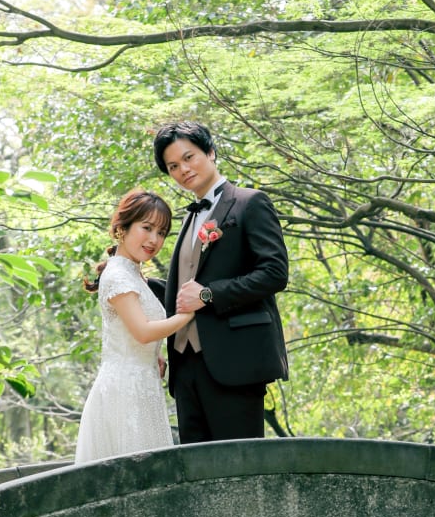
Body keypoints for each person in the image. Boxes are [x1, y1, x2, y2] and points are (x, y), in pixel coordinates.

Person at [153, 120, 289, 443]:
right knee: (198, 476)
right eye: (173, 166)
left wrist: (210, 295)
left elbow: (275, 272)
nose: (183, 169)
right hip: (185, 366)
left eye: (189, 157)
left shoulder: (249, 203)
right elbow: (185, 287)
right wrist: (129, 278)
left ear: (211, 152)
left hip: (235, 363)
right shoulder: (189, 218)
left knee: (240, 471)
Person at [74, 189, 193, 464]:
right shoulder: (117, 274)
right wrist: (190, 313)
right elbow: (142, 331)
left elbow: (134, 329)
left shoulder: (132, 272)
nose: (154, 240)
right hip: (124, 393)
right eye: (147, 228)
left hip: (142, 384)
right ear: (121, 229)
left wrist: (156, 353)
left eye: (161, 233)